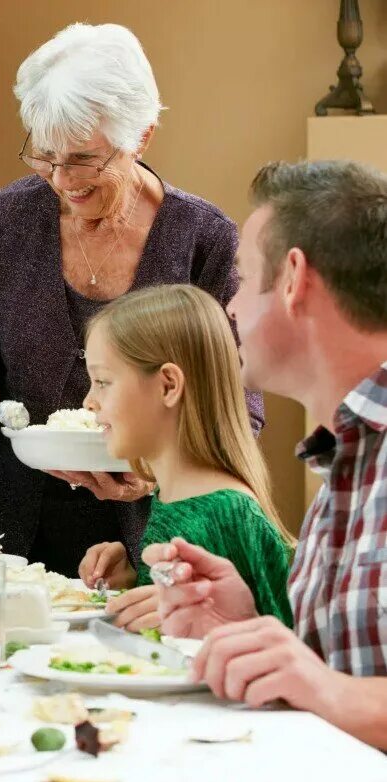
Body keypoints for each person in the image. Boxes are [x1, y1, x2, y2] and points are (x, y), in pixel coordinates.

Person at [0, 22, 263, 578]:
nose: (62, 181)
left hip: (158, 537)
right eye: (45, 157)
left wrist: (157, 473)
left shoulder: (202, 238)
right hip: (14, 532)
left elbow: (239, 406)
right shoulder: (6, 220)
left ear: (143, 137)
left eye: (84, 159)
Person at [147, 160, 387, 749]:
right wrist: (248, 628)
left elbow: (334, 690)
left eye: (243, 277)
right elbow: (341, 673)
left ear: (293, 279)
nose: (229, 306)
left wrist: (325, 689)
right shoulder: (346, 456)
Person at [73, 284, 293, 631]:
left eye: (102, 381)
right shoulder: (171, 493)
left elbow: (277, 648)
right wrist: (135, 583)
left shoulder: (227, 513)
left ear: (168, 386)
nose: (89, 401)